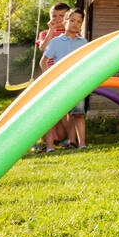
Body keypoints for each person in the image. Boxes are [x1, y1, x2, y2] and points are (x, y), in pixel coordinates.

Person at [39, 9, 90, 149]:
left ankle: (82, 145)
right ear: (65, 21)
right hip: (58, 84)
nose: (75, 24)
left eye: (79, 22)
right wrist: (50, 79)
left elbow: (86, 63)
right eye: (72, 20)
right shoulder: (56, 42)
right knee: (52, 115)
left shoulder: (83, 42)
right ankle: (49, 147)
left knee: (78, 114)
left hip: (77, 84)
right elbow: (43, 62)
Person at [32, 2, 71, 151]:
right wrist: (51, 30)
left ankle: (69, 139)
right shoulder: (45, 33)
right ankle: (45, 141)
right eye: (54, 16)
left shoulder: (73, 33)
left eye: (62, 16)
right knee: (48, 109)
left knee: (64, 111)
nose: (58, 19)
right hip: (49, 78)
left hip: (65, 77)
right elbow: (42, 48)